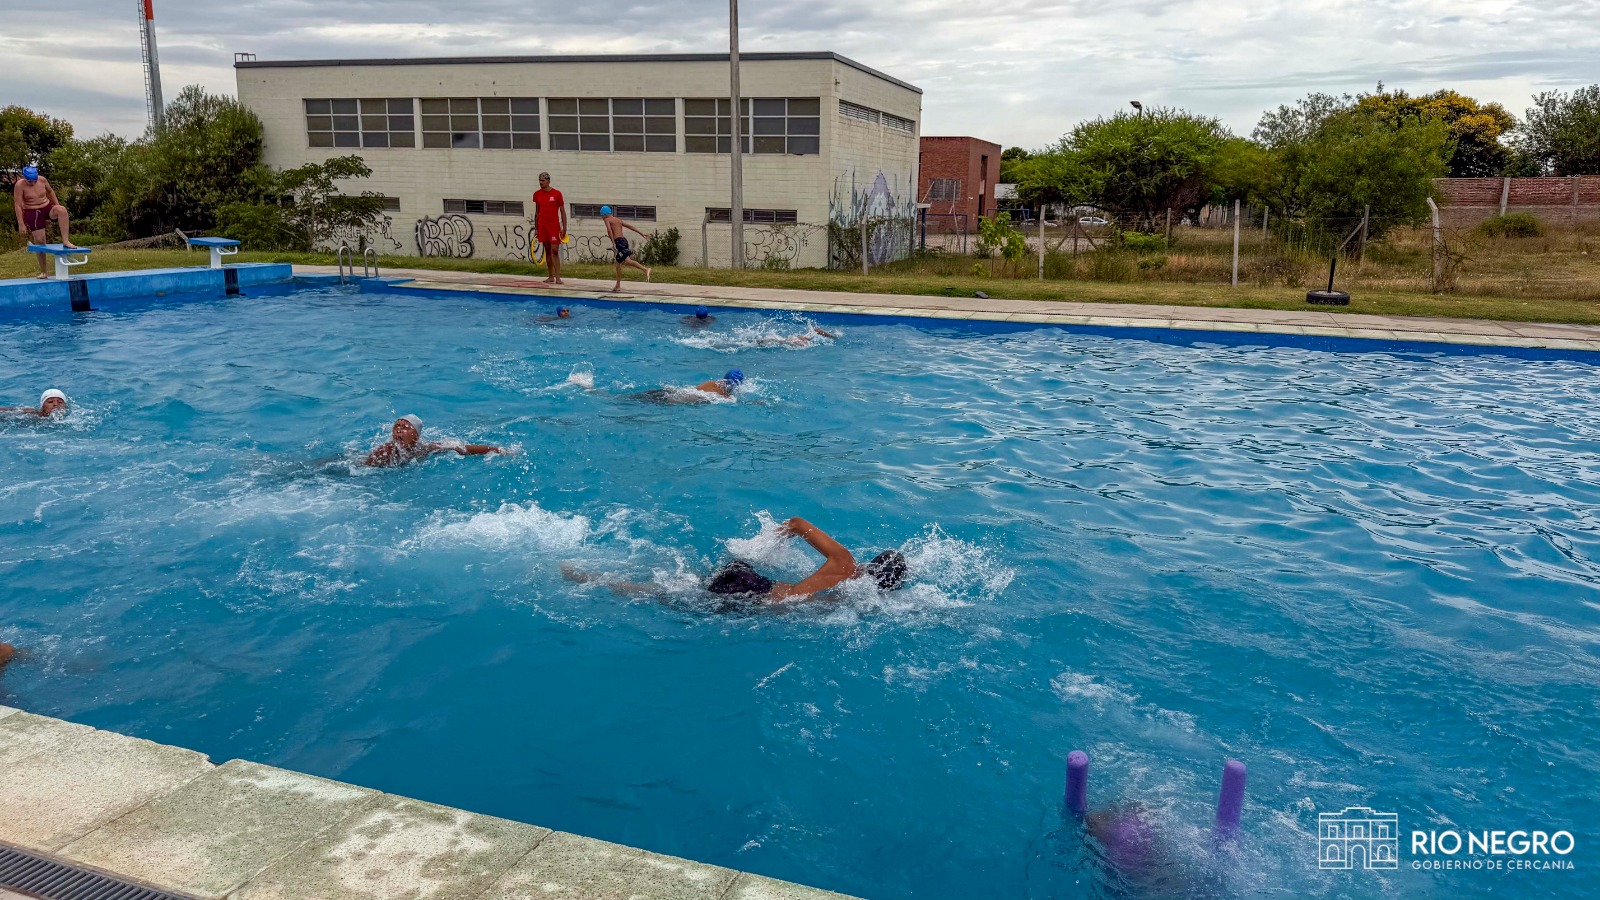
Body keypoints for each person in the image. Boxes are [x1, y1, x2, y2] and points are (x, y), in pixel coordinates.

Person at [563, 516, 908, 605]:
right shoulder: (848, 592)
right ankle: (587, 578)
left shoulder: (844, 564)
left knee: (672, 586)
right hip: (750, 593)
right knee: (660, 594)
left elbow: (796, 523)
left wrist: (763, 548)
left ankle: (586, 575)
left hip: (747, 577)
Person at [363, 414, 503, 468]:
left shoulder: (424, 448)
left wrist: (496, 450)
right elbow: (364, 470)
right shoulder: (385, 451)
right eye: (396, 426)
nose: (398, 430)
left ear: (416, 435)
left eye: (405, 427)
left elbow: (462, 448)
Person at [13, 165, 78, 279]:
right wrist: (21, 224)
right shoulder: (19, 185)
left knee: (62, 210)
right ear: (24, 178)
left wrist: (57, 205)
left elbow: (50, 191)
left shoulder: (42, 180)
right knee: (40, 241)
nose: (33, 183)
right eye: (30, 181)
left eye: (34, 180)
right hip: (32, 211)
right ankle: (44, 272)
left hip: (46, 207)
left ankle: (66, 241)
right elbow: (17, 205)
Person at [601, 206, 652, 291]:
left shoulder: (607, 220)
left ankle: (646, 269)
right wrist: (641, 233)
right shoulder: (618, 220)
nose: (602, 218)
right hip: (624, 241)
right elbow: (630, 226)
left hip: (619, 242)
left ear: (605, 214)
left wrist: (613, 243)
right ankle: (617, 285)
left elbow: (609, 231)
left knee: (627, 261)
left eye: (602, 216)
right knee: (618, 263)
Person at [628, 370, 745, 405]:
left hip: (674, 391)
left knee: (634, 398)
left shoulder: (711, 383)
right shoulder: (726, 397)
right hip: (677, 399)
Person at [531, 172, 567, 285]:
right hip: (542, 225)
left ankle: (558, 277)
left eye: (543, 181)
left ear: (548, 181)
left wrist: (564, 227)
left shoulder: (557, 194)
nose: (541, 183)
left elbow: (562, 211)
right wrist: (536, 228)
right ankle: (551, 276)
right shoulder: (537, 194)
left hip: (553, 225)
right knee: (547, 250)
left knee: (554, 250)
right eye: (539, 181)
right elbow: (537, 212)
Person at [0, 389, 68, 417]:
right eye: (50, 401)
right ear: (42, 406)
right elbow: (6, 410)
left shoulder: (69, 419)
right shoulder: (30, 413)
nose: (55, 404)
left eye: (60, 402)